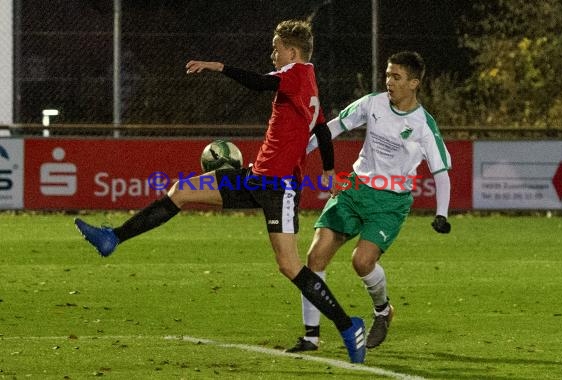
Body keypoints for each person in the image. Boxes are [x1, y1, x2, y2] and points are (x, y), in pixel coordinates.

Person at [74, 19, 367, 363]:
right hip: (256, 178)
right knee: (182, 191)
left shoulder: (297, 73)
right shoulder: (309, 83)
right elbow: (322, 131)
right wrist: (330, 170)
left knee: (289, 265)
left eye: (276, 49)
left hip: (279, 187)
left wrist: (219, 66)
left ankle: (349, 326)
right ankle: (113, 238)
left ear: (291, 51)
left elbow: (259, 84)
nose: (273, 54)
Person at [286, 51, 452, 353]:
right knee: (315, 258)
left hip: (390, 202)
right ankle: (310, 337)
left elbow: (441, 173)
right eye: (388, 75)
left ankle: (382, 311)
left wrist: (442, 214)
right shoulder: (372, 103)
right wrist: (301, 152)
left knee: (361, 262)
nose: (389, 81)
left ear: (413, 83)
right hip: (355, 190)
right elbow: (334, 126)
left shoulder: (423, 125)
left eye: (396, 77)